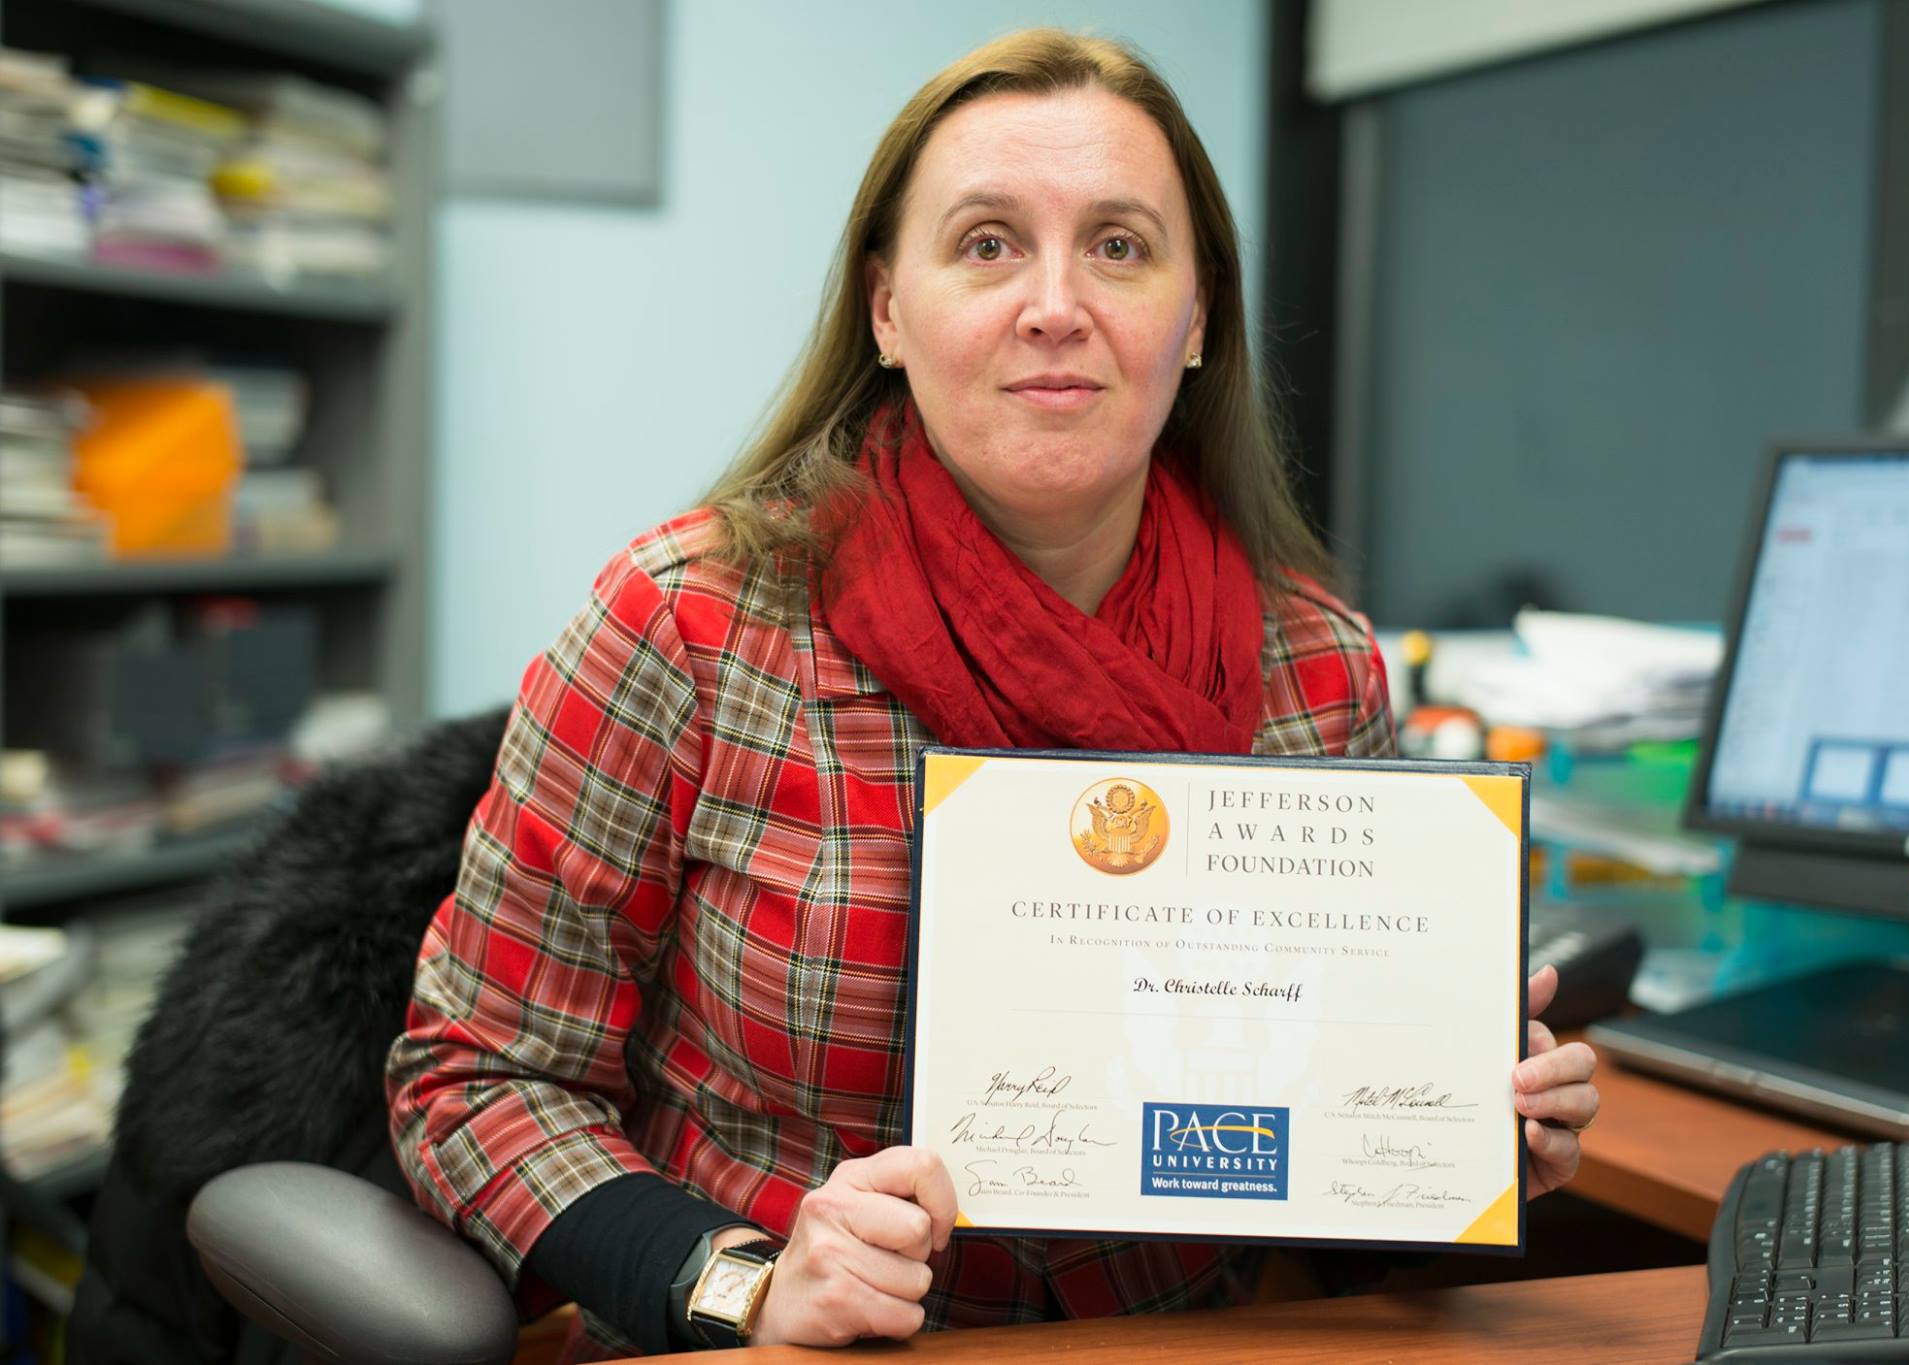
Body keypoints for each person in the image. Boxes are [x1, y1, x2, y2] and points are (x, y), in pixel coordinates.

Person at [385, 28, 1599, 1361]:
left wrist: (1459, 1141)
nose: (1055, 305)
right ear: (887, 310)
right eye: (987, 244)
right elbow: (474, 1079)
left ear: (1198, 319)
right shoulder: (690, 625)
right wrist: (746, 1284)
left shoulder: (1317, 667)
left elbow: (1323, 1173)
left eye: (1120, 247)